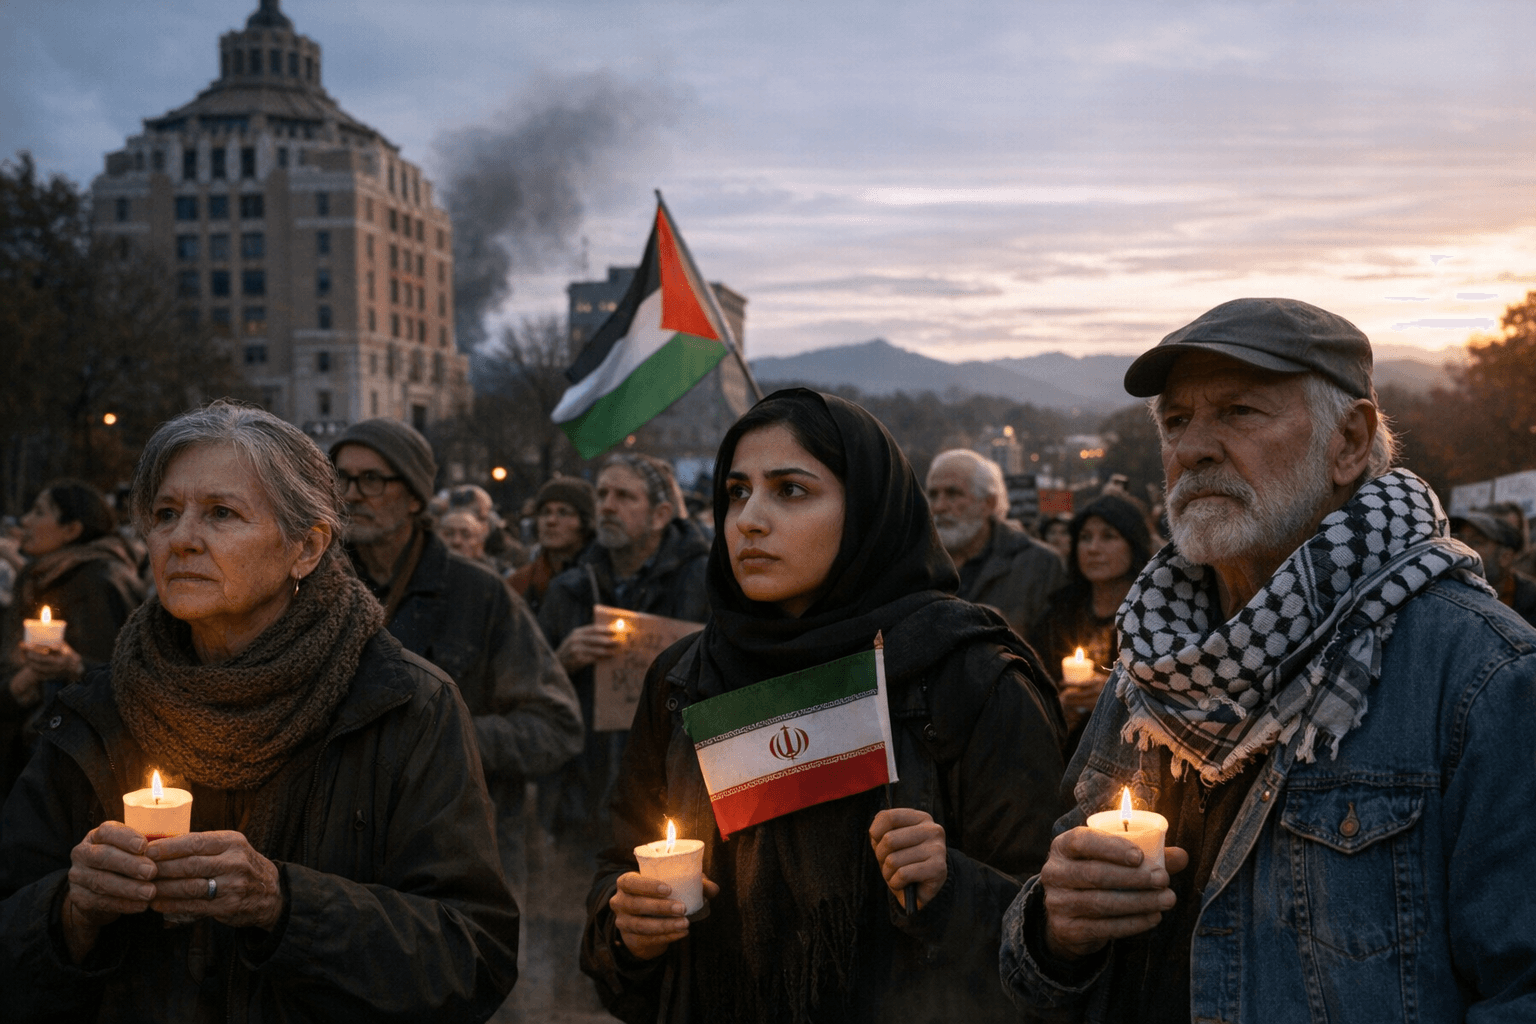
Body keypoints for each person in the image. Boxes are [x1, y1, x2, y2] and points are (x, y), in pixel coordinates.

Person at [1000, 297, 1536, 1022]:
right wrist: (1056, 930)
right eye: (1177, 421)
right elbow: (1043, 966)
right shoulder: (1155, 659)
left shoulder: (1482, 674)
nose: (1194, 448)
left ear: (1349, 441)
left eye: (1240, 412)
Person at [0, 402, 519, 1021]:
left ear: (306, 547)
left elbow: (472, 959)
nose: (182, 538)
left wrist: (284, 905)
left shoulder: (402, 705)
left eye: (221, 513)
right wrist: (70, 912)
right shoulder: (96, 710)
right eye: (166, 514)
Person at [580, 389, 1066, 1024]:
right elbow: (620, 867)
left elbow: (1059, 930)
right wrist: (627, 931)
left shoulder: (967, 675)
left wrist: (953, 887)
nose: (749, 519)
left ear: (865, 509)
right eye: (735, 492)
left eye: (790, 490)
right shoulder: (684, 679)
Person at [329, 419, 582, 898]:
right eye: (340, 478)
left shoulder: (480, 595)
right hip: (344, 871)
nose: (352, 494)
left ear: (415, 497)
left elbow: (556, 727)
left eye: (372, 480)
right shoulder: (318, 590)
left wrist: (441, 737)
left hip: (459, 868)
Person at [537, 453, 710, 843]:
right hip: (586, 802)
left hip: (680, 798)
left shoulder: (704, 583)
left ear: (660, 514)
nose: (608, 506)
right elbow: (528, 691)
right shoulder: (569, 590)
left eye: (625, 496)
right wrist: (560, 662)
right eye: (602, 494)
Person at [2, 481, 145, 801]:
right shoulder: (36, 576)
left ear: (71, 529)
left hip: (73, 764)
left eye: (39, 512)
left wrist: (73, 666)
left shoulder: (102, 580)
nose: (24, 521)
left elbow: (129, 677)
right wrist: (19, 682)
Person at [1030, 493, 1152, 752]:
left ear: (1133, 543)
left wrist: (1117, 697)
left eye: (1108, 536)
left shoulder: (1154, 615)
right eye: (1085, 537)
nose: (1093, 548)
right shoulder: (1059, 615)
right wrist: (1057, 710)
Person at [925, 449, 1066, 638]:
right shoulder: (916, 565)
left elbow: (1055, 652)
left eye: (953, 494)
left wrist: (1005, 639)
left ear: (989, 503)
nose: (939, 507)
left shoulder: (1040, 564)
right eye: (933, 495)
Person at [509, 477, 596, 615]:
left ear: (585, 522)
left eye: (563, 512)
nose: (551, 521)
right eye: (545, 512)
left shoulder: (602, 579)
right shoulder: (519, 583)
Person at [1452, 509, 1536, 625]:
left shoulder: (1531, 600)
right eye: (1459, 539)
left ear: (1505, 557)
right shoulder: (1445, 590)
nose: (1462, 547)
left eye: (1477, 542)